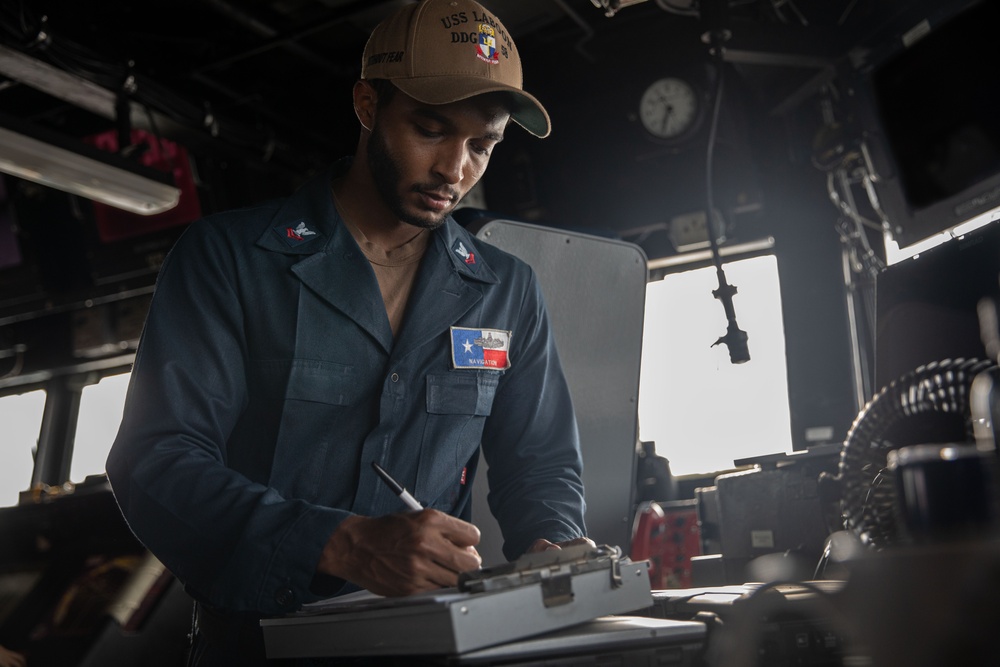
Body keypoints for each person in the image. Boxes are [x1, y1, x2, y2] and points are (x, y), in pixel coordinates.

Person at [105, 0, 590, 663]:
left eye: (482, 145)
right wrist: (338, 542)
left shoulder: (508, 292)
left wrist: (550, 544)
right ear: (367, 105)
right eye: (429, 129)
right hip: (257, 644)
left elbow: (541, 462)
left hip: (434, 641)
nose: (455, 169)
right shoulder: (229, 259)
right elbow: (154, 460)